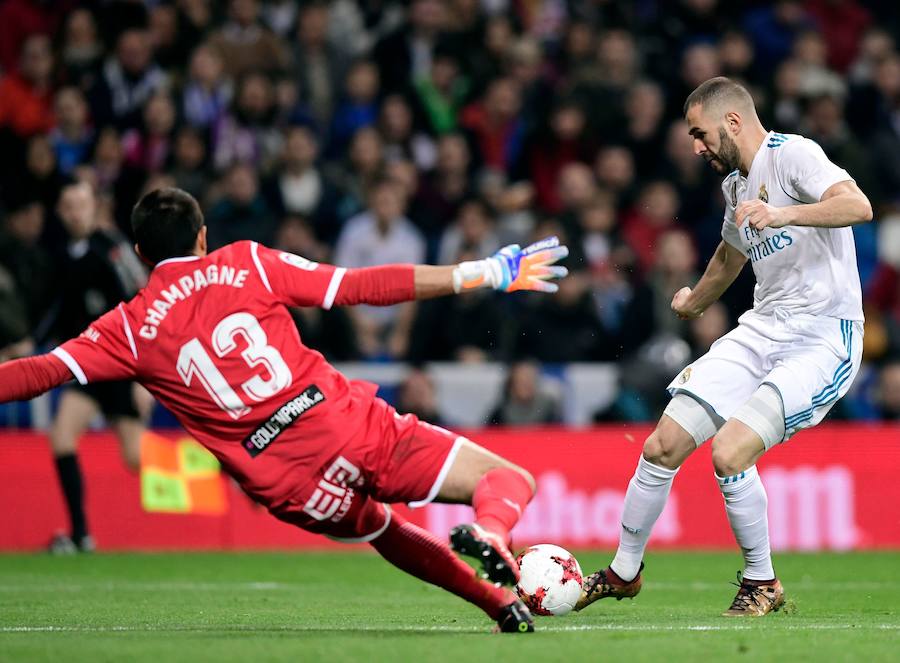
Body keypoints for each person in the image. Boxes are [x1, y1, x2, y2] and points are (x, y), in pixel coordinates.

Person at [0, 187, 569, 633]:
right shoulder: (246, 261)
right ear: (203, 237)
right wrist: (484, 271)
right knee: (505, 478)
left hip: (285, 481)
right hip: (342, 422)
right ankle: (492, 533)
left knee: (381, 527)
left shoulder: (126, 327)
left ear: (142, 255)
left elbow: (40, 372)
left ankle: (497, 603)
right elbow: (359, 287)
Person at [576, 77, 872, 617]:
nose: (696, 147)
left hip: (822, 336)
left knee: (730, 451)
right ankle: (624, 571)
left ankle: (762, 581)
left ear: (732, 122)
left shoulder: (795, 156)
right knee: (662, 445)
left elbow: (856, 204)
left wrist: (783, 213)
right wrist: (695, 300)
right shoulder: (736, 186)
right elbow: (731, 255)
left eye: (700, 133)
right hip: (762, 327)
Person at [42, 182, 150, 553]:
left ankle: (222, 474)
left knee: (136, 459)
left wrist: (143, 377)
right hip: (87, 367)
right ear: (60, 211)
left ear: (94, 207)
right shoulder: (59, 255)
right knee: (61, 438)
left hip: (121, 367)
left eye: (82, 205)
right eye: (69, 206)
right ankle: (80, 534)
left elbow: (144, 303)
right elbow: (56, 309)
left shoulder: (113, 249)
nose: (76, 213)